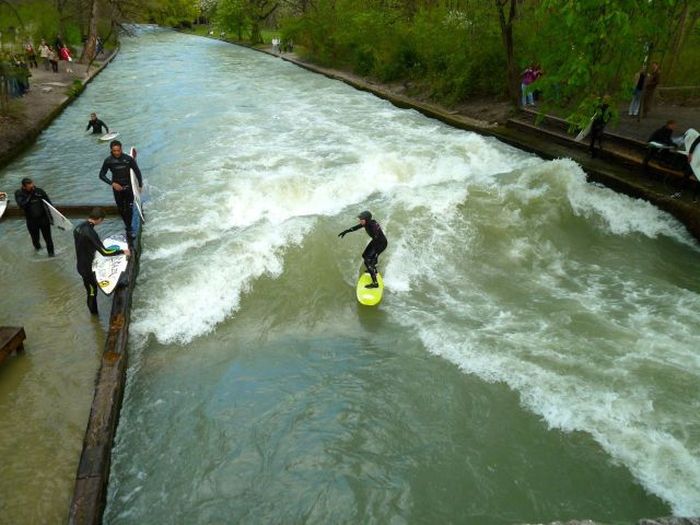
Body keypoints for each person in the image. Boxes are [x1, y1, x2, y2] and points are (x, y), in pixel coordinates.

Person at [73, 207, 130, 314]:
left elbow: (84, 245)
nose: (101, 222)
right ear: (99, 219)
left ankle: (94, 320)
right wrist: (123, 251)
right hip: (88, 269)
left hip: (80, 264)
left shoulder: (78, 227)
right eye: (102, 220)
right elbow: (105, 252)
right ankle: (95, 317)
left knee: (90, 291)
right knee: (92, 292)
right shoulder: (90, 233)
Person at [98, 140, 143, 236]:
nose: (117, 152)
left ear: (121, 149)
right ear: (111, 150)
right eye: (115, 151)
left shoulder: (128, 159)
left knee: (129, 209)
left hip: (128, 188)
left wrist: (140, 185)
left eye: (118, 150)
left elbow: (137, 172)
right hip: (117, 189)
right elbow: (101, 175)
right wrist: (112, 183)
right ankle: (127, 225)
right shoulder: (108, 161)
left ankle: (129, 228)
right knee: (121, 210)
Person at [338, 210, 388, 288]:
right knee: (365, 255)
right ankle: (373, 268)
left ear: (367, 220)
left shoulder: (373, 226)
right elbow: (356, 227)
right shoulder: (366, 223)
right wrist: (346, 231)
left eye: (361, 220)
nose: (360, 221)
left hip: (380, 244)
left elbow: (377, 236)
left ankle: (375, 283)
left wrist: (375, 254)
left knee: (368, 261)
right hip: (376, 241)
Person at [14, 177, 55, 257]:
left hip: (44, 219)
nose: (32, 187)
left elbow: (49, 204)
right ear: (24, 187)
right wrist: (31, 195)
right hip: (32, 221)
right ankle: (38, 254)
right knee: (35, 240)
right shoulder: (19, 193)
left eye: (32, 185)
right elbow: (22, 205)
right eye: (29, 186)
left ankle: (51, 256)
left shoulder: (39, 191)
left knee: (48, 239)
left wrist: (52, 218)